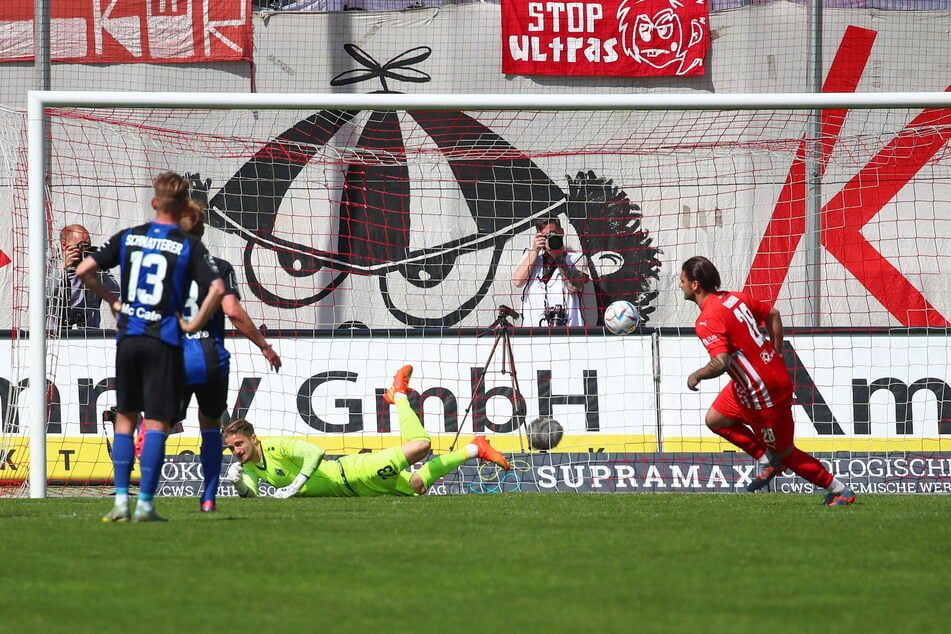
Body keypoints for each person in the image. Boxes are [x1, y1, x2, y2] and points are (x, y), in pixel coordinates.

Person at [76, 171, 226, 522]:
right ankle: (145, 503)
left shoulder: (129, 237)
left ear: (154, 202)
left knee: (126, 417)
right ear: (184, 205)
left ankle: (120, 501)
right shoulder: (188, 244)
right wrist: (193, 322)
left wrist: (113, 301)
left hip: (128, 337)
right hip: (163, 339)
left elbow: (84, 269)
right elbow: (217, 288)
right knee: (157, 421)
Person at [679, 256, 855, 505]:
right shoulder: (734, 298)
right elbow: (773, 314)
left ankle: (839, 490)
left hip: (761, 391)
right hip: (751, 381)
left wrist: (696, 375)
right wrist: (777, 352)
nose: (680, 285)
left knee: (786, 452)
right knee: (716, 420)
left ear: (696, 285)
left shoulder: (707, 320)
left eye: (682, 280)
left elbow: (721, 362)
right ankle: (765, 459)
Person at [222, 365, 510, 498]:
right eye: (232, 449)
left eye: (238, 444)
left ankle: (398, 394)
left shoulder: (275, 447)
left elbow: (315, 453)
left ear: (253, 438)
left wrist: (295, 485)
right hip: (355, 492)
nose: (236, 451)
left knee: (421, 444)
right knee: (417, 486)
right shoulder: (250, 466)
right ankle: (475, 447)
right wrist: (238, 485)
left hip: (357, 472)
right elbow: (253, 498)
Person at [174, 199, 282, 513]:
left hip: (174, 355)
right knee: (210, 426)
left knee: (159, 424)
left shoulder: (161, 267)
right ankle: (208, 497)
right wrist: (263, 345)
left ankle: (138, 498)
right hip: (210, 356)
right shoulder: (217, 267)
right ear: (202, 229)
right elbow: (232, 311)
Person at [512, 217, 589, 328]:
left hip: (570, 330)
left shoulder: (577, 258)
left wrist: (558, 257)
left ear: (562, 232)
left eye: (554, 234)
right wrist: (535, 250)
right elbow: (518, 282)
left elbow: (575, 287)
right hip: (533, 330)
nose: (550, 239)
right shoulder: (531, 256)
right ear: (538, 236)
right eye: (545, 236)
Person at [47, 224, 119, 330]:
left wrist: (99, 271)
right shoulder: (51, 264)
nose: (85, 250)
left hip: (88, 335)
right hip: (56, 336)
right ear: (64, 245)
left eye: (88, 245)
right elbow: (44, 296)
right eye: (81, 246)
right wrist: (61, 268)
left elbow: (115, 293)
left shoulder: (94, 265)